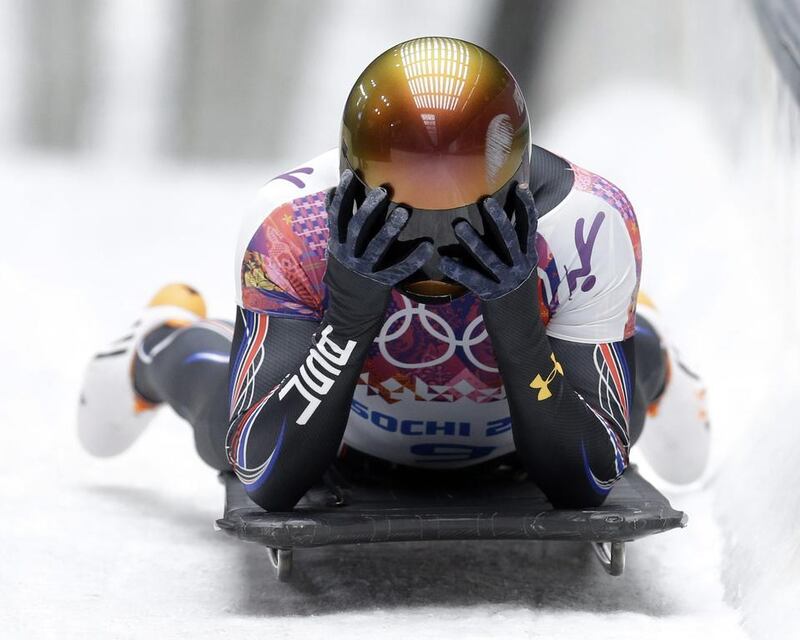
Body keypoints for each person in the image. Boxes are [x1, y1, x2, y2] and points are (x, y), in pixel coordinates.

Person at [78, 37, 710, 512]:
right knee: (225, 433)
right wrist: (349, 320)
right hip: (350, 427)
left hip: (524, 427)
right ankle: (161, 336)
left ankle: (638, 329)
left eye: (460, 219)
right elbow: (264, 472)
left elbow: (590, 478)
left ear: (517, 188)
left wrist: (518, 322)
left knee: (621, 420)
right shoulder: (291, 223)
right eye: (410, 221)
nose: (435, 250)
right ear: (355, 190)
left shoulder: (587, 225)